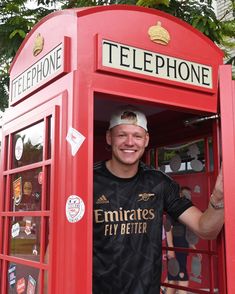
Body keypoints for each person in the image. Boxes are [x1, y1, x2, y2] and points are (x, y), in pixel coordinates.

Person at [93, 105, 224, 294]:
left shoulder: (159, 182)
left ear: (146, 140)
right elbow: (56, 249)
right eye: (122, 135)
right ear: (109, 137)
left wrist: (219, 197)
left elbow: (206, 229)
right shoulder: (87, 180)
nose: (130, 142)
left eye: (137, 136)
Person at [165, 187, 201, 294]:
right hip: (176, 249)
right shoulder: (172, 209)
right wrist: (170, 249)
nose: (187, 197)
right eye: (185, 195)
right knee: (181, 277)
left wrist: (193, 248)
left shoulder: (184, 211)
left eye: (189, 195)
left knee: (173, 278)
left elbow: (186, 232)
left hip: (182, 249)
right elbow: (167, 229)